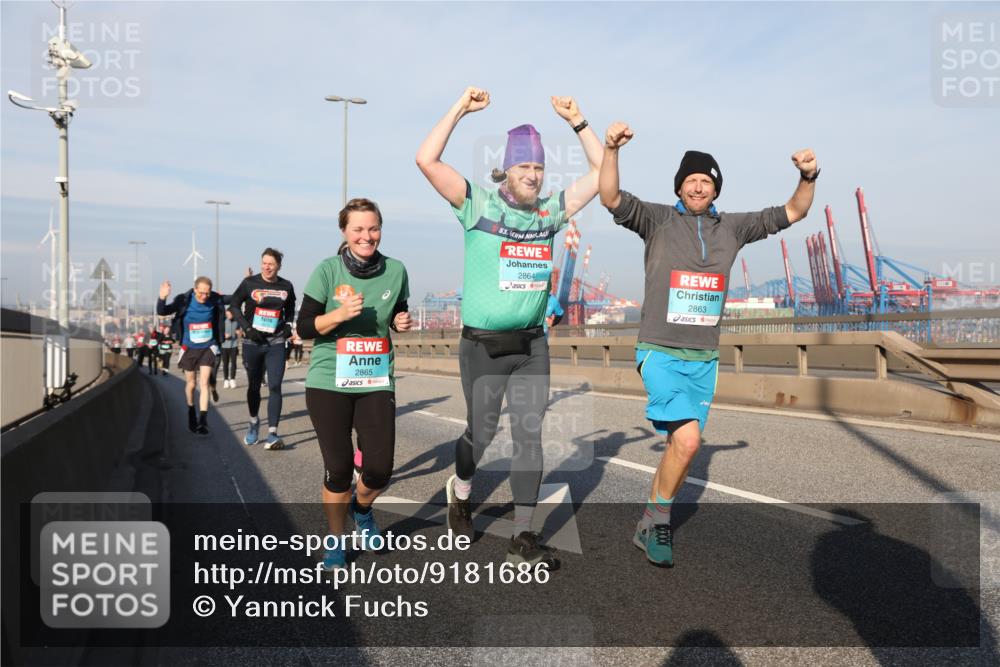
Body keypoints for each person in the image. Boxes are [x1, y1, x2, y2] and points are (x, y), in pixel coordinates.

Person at [598, 120, 818, 567]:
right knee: (689, 442)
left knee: (681, 448)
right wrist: (611, 150)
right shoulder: (657, 220)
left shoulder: (733, 228)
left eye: (706, 181)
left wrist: (808, 176)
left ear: (716, 188)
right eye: (690, 181)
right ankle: (660, 523)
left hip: (704, 357)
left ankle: (648, 521)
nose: (698, 187)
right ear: (679, 187)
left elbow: (794, 212)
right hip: (659, 349)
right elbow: (610, 197)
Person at [416, 87, 602, 567]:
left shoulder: (549, 213)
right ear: (506, 170)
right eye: (524, 167)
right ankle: (461, 491)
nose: (533, 175)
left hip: (532, 346)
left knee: (529, 435)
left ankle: (523, 535)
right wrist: (460, 108)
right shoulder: (477, 204)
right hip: (482, 347)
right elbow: (426, 160)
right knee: (480, 434)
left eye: (539, 167)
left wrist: (578, 122)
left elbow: (604, 176)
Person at [296, 197, 411, 571]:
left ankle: (361, 509)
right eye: (358, 229)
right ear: (344, 231)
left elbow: (396, 313)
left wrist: (400, 322)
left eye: (373, 228)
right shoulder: (327, 270)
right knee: (340, 469)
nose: (367, 236)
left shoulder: (396, 270)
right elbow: (304, 327)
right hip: (328, 380)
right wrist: (338, 315)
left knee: (379, 470)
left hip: (375, 378)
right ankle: (335, 541)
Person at [228, 248, 297, 449]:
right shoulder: (249, 283)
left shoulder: (286, 286)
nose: (267, 267)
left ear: (278, 266)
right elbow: (234, 305)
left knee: (275, 385)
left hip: (276, 341)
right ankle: (253, 422)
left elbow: (291, 307)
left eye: (271, 264)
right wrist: (247, 328)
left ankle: (273, 434)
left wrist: (288, 324)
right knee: (254, 386)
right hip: (253, 342)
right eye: (264, 263)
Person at [157, 277, 228, 434]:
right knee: (191, 384)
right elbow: (162, 311)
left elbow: (235, 297)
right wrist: (162, 297)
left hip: (208, 346)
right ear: (195, 289)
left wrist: (250, 284)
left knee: (204, 382)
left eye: (207, 293)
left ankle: (203, 420)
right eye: (201, 293)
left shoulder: (214, 299)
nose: (204, 296)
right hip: (189, 347)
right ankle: (191, 410)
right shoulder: (183, 300)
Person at [221, 309, 240, 388]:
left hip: (234, 345)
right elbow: (219, 332)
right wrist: (224, 335)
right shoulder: (223, 321)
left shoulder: (237, 321)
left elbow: (239, 333)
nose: (228, 316)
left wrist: (239, 333)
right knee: (225, 363)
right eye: (227, 314)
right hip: (224, 346)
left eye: (229, 314)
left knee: (234, 363)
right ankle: (226, 380)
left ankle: (232, 379)